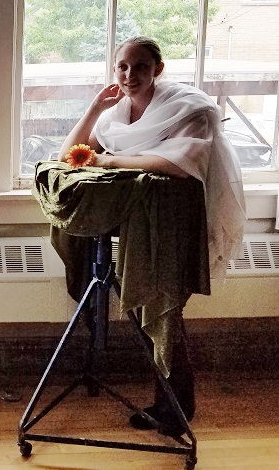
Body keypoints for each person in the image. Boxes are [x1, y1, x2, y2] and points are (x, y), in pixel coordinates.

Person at [57, 36, 245, 435]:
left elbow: (176, 164)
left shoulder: (187, 107)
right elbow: (69, 155)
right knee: (141, 302)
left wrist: (108, 160)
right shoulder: (116, 114)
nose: (130, 75)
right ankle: (167, 403)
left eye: (141, 66)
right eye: (122, 67)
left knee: (160, 304)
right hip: (136, 219)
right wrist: (94, 108)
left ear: (158, 69)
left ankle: (177, 406)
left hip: (172, 221)